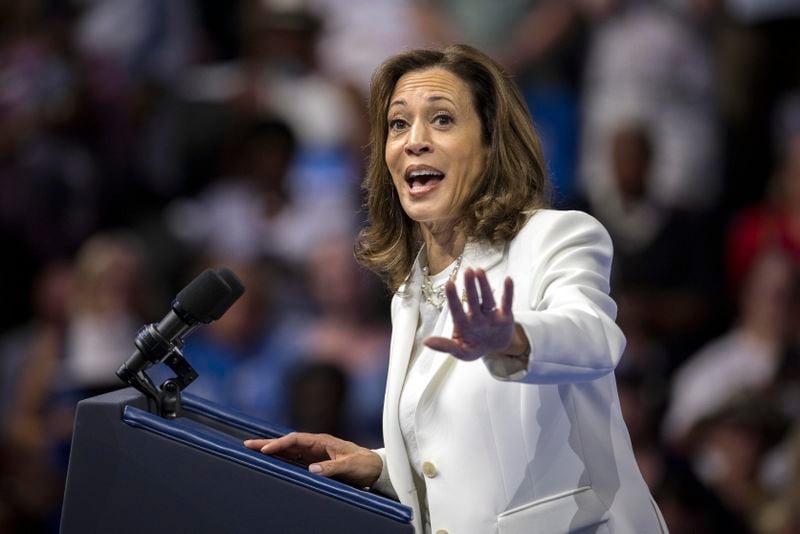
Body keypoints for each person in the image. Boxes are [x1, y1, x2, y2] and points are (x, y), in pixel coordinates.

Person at [245, 44, 666, 533]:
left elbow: (595, 339)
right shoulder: (409, 290)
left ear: (491, 145)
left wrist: (511, 337)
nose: (413, 141)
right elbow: (457, 455)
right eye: (399, 124)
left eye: (441, 120)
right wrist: (381, 467)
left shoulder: (555, 236)